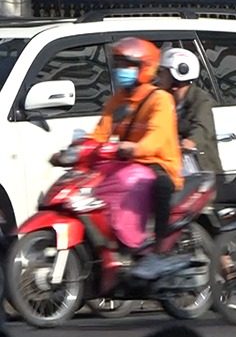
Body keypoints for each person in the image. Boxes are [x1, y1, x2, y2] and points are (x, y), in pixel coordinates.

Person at [88, 37, 182, 248]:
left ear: (145, 68)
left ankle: (160, 247)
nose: (121, 69)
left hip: (157, 163)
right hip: (126, 161)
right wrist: (80, 150)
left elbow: (156, 138)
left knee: (162, 185)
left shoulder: (160, 99)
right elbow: (100, 132)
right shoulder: (118, 99)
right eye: (119, 65)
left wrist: (135, 148)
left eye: (127, 65)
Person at [156, 48, 224, 174]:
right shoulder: (163, 99)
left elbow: (202, 128)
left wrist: (190, 142)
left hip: (200, 171)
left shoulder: (201, 99)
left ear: (179, 72)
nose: (158, 77)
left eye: (162, 72)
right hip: (173, 168)